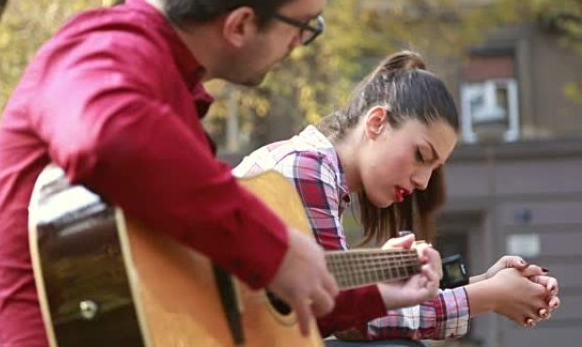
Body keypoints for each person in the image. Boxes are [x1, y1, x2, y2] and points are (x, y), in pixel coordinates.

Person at [0, 0, 442, 346]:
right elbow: (109, 139)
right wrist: (276, 248)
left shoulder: (171, 92)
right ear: (240, 24)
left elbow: (236, 305)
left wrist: (378, 291)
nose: (299, 46)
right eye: (304, 26)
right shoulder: (99, 49)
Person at [233, 51, 560, 340]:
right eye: (421, 155)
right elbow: (345, 315)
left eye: (434, 168)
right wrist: (488, 296)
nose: (422, 182)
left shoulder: (314, 169)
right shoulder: (306, 168)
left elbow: (346, 309)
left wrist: (482, 284)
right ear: (376, 123)